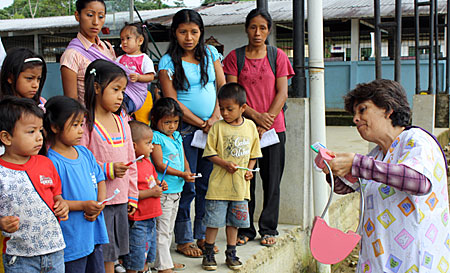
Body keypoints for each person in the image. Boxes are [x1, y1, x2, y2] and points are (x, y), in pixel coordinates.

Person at [321, 79, 450, 273]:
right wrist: (332, 171)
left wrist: (357, 163)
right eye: (354, 113)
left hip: (416, 262)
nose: (355, 119)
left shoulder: (417, 140)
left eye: (362, 110)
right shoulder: (377, 154)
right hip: (378, 260)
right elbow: (346, 188)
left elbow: (419, 181)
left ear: (388, 110)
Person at [223, 8, 295, 247]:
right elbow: (232, 94)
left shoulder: (277, 56)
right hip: (244, 129)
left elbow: (282, 92)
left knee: (272, 179)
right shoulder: (235, 57)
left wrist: (268, 119)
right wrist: (254, 116)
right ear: (246, 29)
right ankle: (245, 228)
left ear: (269, 30)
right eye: (253, 27)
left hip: (274, 129)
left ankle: (268, 229)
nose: (257, 32)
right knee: (246, 179)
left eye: (263, 28)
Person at [158, 8, 226, 258]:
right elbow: (171, 101)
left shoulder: (210, 53)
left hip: (212, 129)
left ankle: (202, 237)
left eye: (194, 32)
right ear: (174, 33)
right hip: (184, 130)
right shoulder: (168, 62)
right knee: (187, 183)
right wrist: (200, 122)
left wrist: (215, 117)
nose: (189, 37)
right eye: (183, 32)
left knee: (208, 185)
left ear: (201, 32)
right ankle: (184, 239)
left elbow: (223, 87)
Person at [80, 59, 139, 273]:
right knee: (102, 252)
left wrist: (133, 194)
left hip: (122, 198)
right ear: (96, 87)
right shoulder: (86, 123)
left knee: (115, 252)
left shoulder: (122, 120)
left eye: (122, 90)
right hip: (99, 201)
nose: (120, 96)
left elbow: (131, 160)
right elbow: (80, 160)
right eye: (115, 89)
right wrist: (106, 169)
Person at [0, 97, 69, 273]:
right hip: (20, 256)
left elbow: (56, 195)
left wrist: (61, 204)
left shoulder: (46, 163)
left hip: (54, 250)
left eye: (40, 130)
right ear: (6, 137)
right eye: (31, 132)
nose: (39, 137)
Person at [44, 96, 109, 273]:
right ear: (55, 127)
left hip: (92, 233)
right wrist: (84, 206)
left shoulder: (84, 153)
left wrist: (99, 204)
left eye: (82, 124)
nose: (81, 130)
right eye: (75, 125)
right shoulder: (51, 162)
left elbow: (100, 179)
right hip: (72, 239)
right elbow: (55, 202)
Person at [201, 83, 262, 271]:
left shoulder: (250, 127)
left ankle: (231, 253)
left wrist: (249, 170)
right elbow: (210, 153)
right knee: (213, 221)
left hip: (240, 188)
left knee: (234, 222)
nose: (225, 113)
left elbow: (254, 153)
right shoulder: (217, 128)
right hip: (219, 186)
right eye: (221, 109)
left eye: (229, 109)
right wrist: (225, 164)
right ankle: (208, 254)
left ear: (243, 108)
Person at [61, 0, 147, 113]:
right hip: (91, 121)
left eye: (101, 16)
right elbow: (72, 103)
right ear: (77, 15)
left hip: (115, 117)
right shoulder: (71, 55)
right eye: (90, 15)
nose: (96, 22)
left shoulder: (107, 47)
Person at [150, 97, 194, 273]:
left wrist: (188, 171)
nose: (172, 126)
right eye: (167, 122)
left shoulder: (176, 135)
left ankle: (164, 260)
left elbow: (183, 158)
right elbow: (160, 164)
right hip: (165, 191)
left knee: (169, 228)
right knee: (162, 229)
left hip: (177, 189)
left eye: (175, 122)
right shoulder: (156, 137)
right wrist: (182, 174)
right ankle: (163, 265)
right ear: (155, 119)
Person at [121, 120, 168, 273]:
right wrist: (152, 192)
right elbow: (131, 195)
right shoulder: (130, 167)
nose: (152, 147)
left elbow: (153, 181)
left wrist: (160, 184)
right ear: (134, 146)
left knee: (148, 254)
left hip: (151, 217)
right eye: (148, 143)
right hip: (138, 220)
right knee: (136, 256)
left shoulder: (147, 162)